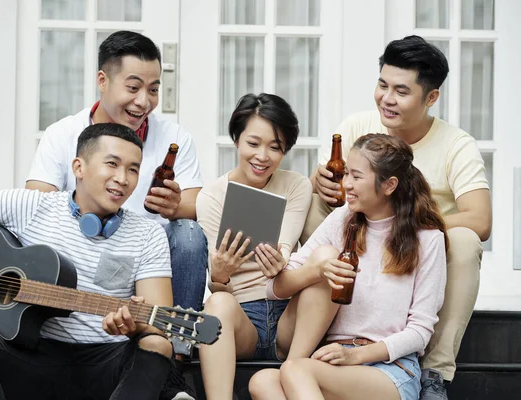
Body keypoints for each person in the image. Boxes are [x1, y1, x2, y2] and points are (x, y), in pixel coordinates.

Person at [0, 123, 176, 400]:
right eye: (112, 164)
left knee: (157, 344)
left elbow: (159, 320)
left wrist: (134, 326)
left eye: (133, 169)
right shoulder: (34, 206)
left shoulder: (148, 234)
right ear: (78, 167)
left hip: (104, 365)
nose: (123, 178)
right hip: (28, 356)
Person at [306, 35, 492, 399]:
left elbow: (480, 219)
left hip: (413, 249)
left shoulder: (456, 144)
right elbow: (329, 185)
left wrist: (406, 220)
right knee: (311, 204)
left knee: (466, 241)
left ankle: (435, 372)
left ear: (431, 97)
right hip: (359, 239)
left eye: (401, 91)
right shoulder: (358, 124)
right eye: (382, 85)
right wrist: (320, 182)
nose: (387, 99)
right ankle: (310, 333)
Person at [249, 133, 448, 400]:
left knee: (295, 370)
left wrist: (356, 355)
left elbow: (420, 331)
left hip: (390, 369)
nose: (346, 184)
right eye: (347, 174)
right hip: (332, 363)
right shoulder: (342, 219)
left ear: (389, 185)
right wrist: (310, 271)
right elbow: (274, 290)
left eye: (356, 176)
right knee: (262, 381)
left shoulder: (428, 239)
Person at [26, 30, 207, 317]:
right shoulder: (61, 134)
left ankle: (178, 341)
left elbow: (197, 205)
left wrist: (175, 208)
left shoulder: (175, 138)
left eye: (153, 89)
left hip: (147, 262)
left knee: (188, 232)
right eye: (133, 88)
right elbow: (36, 205)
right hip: (80, 256)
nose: (144, 101)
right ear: (103, 81)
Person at [196, 93, 320, 400]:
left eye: (275, 147)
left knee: (322, 269)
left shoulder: (296, 185)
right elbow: (223, 297)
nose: (263, 156)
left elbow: (286, 250)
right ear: (237, 140)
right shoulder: (212, 197)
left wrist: (281, 262)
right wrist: (221, 278)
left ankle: (294, 376)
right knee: (217, 306)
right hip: (243, 320)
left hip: (287, 315)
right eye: (253, 143)